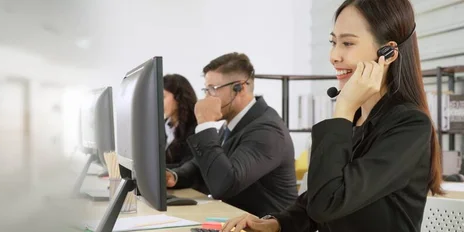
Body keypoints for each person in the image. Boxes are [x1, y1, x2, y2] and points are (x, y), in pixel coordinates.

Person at [221, 0, 444, 231]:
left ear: (387, 53)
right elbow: (319, 195)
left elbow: (327, 203)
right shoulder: (357, 117)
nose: (334, 55)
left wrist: (344, 109)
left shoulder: (409, 125)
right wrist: (276, 223)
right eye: (333, 42)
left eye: (347, 43)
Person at [166, 52, 298, 216]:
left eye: (212, 89)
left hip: (264, 225)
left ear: (240, 88)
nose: (206, 97)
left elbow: (225, 185)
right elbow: (201, 165)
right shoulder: (233, 124)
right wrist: (175, 176)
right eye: (206, 90)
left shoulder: (266, 130)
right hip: (236, 219)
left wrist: (205, 125)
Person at [163, 74, 198, 169]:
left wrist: (154, 169)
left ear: (178, 97)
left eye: (163, 97)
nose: (159, 102)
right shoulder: (161, 126)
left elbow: (187, 167)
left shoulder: (196, 128)